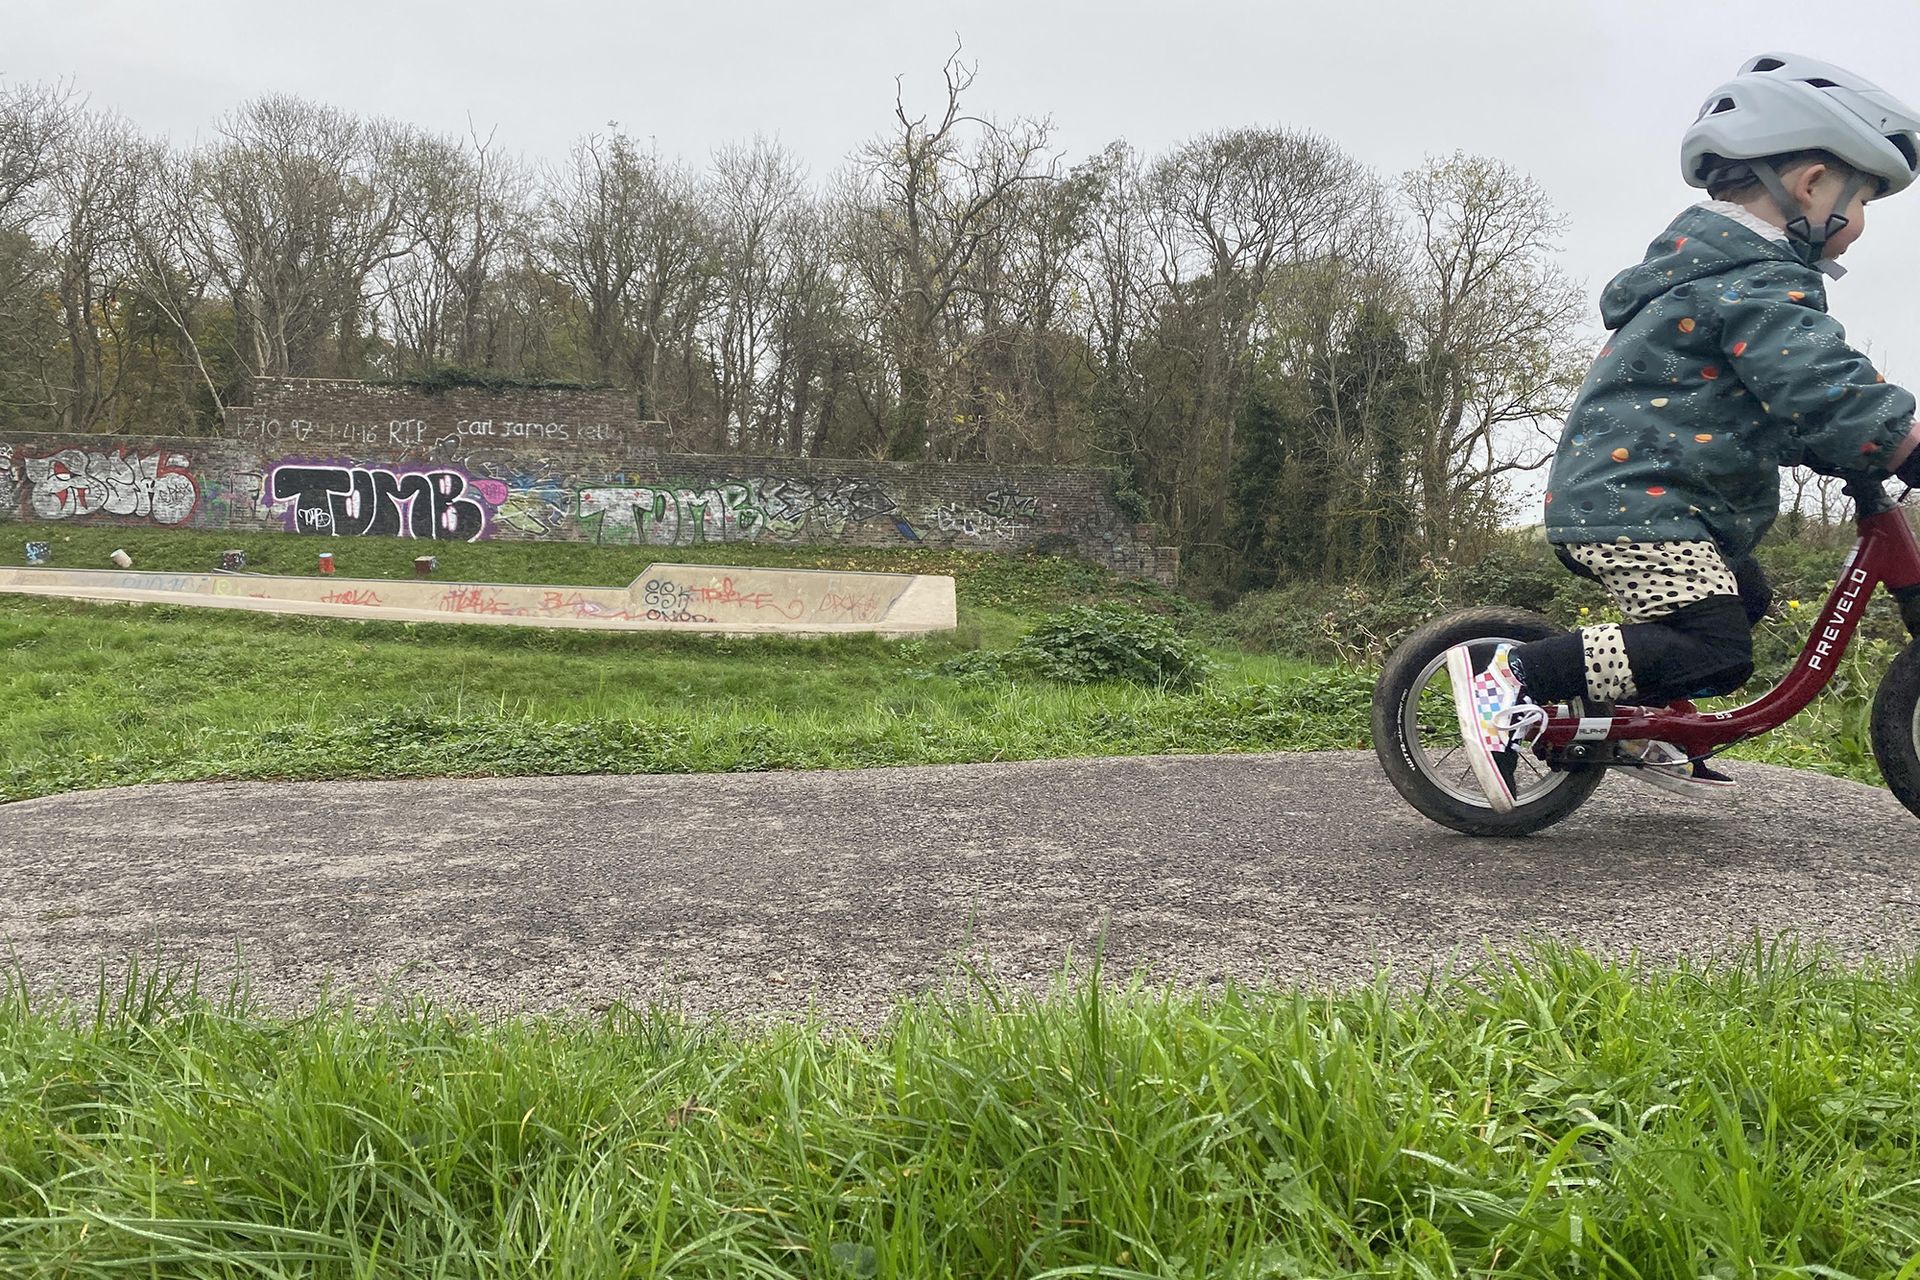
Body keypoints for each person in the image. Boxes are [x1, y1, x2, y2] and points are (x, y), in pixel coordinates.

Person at [1452, 52, 1920, 814]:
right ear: (1810, 187)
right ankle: (1513, 680)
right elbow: (1813, 378)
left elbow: (1760, 398)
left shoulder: (1719, 276)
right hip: (1640, 504)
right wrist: (1901, 439)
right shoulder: (1755, 282)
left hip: (1664, 498)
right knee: (1715, 644)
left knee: (1741, 602)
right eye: (1862, 198)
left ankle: (1640, 722)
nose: (1860, 224)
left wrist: (1829, 447)